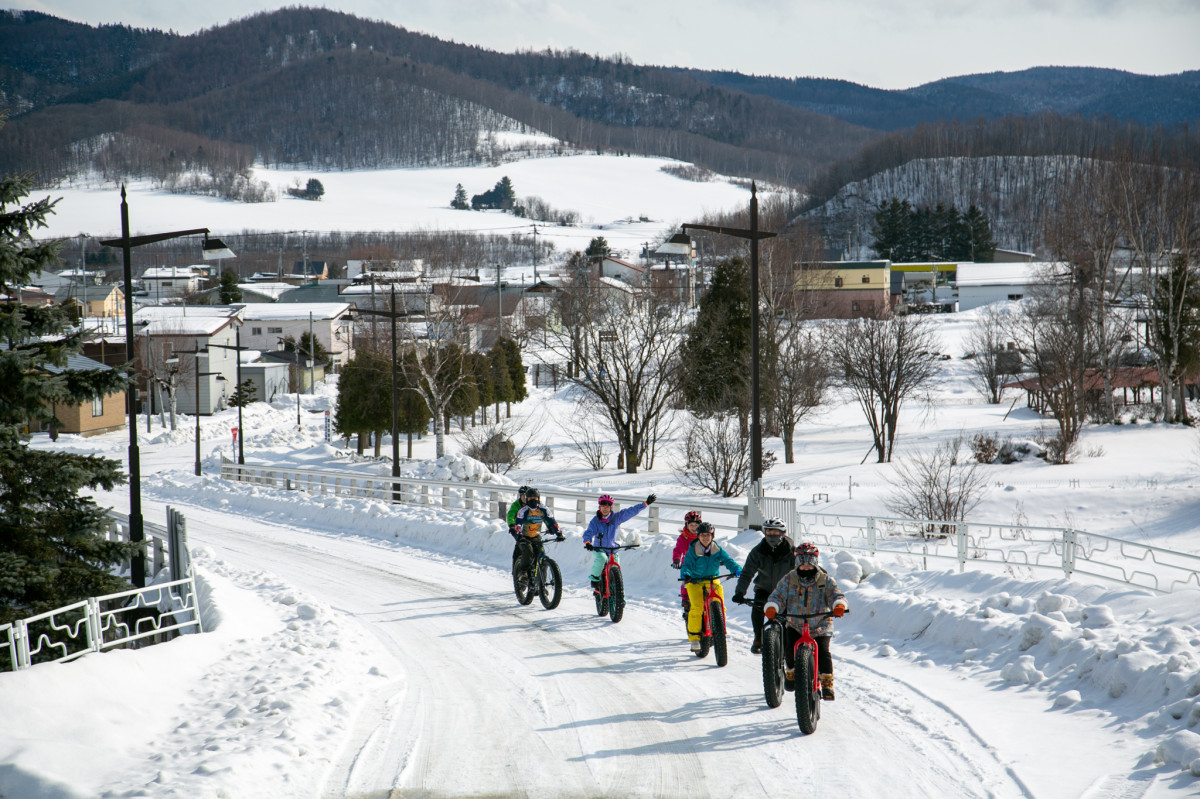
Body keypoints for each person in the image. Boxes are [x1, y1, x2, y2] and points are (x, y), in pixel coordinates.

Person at [764, 542, 848, 700]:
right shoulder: (789, 579)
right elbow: (778, 595)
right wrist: (773, 607)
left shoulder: (825, 580)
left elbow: (836, 595)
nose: (806, 568)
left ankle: (827, 682)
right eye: (802, 565)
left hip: (820, 625)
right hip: (795, 623)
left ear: (815, 563)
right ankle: (791, 672)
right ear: (797, 564)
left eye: (809, 565)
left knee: (823, 651)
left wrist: (839, 606)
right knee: (789, 648)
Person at [732, 517, 795, 654]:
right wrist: (739, 592)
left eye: (775, 532)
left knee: (787, 623)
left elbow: (800, 572)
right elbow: (747, 573)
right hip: (764, 589)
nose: (771, 535)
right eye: (768, 532)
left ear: (783, 533)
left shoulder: (792, 552)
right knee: (757, 609)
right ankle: (758, 637)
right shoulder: (758, 551)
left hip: (785, 592)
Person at [680, 522, 741, 653]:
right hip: (695, 581)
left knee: (719, 603)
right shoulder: (693, 549)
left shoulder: (716, 549)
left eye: (708, 535)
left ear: (712, 536)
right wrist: (686, 574)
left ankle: (717, 628)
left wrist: (736, 569)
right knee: (696, 607)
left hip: (712, 580)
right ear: (698, 536)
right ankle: (695, 638)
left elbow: (728, 561)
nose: (705, 538)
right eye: (702, 535)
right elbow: (687, 564)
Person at [583, 492, 655, 593]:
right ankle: (595, 578)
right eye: (603, 505)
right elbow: (588, 533)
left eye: (608, 506)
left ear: (611, 507)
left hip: (612, 548)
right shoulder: (595, 521)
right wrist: (587, 543)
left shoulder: (616, 518)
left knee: (616, 567)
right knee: (602, 558)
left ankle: (618, 594)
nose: (605, 508)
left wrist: (645, 503)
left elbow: (630, 511)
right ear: (599, 507)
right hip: (599, 548)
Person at [512, 487, 563, 579]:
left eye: (535, 498)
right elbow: (518, 525)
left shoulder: (544, 509)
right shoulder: (523, 511)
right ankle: (523, 573)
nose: (533, 500)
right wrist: (519, 536)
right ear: (527, 499)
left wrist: (559, 534)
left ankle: (541, 585)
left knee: (541, 557)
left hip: (536, 536)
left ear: (538, 498)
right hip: (524, 537)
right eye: (530, 498)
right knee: (528, 552)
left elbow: (552, 522)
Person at [671, 510, 703, 619]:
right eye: (691, 525)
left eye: (696, 525)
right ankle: (686, 599)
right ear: (687, 525)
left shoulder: (704, 536)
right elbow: (678, 549)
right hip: (687, 565)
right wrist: (676, 560)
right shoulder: (683, 537)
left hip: (702, 564)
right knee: (685, 579)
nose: (694, 528)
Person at [507, 486, 531, 562]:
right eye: (522, 495)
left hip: (532, 529)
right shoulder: (516, 505)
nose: (524, 497)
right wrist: (512, 525)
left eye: (526, 495)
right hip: (519, 529)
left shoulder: (533, 504)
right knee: (520, 547)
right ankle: (517, 570)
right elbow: (511, 515)